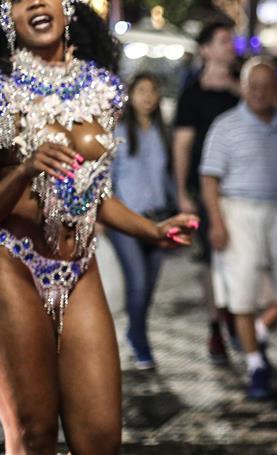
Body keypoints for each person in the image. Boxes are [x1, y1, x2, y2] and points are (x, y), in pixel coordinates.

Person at [0, 0, 197, 453]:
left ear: (66, 0)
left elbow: (93, 195)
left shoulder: (104, 87)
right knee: (34, 435)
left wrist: (152, 230)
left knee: (99, 437)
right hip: (8, 265)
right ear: (2, 15)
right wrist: (24, 172)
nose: (35, 2)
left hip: (78, 265)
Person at [199, 57, 277, 399]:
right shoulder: (226, 125)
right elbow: (209, 179)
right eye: (254, 86)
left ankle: (259, 331)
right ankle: (255, 365)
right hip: (238, 212)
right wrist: (217, 223)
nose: (261, 92)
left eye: (268, 86)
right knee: (241, 293)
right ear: (244, 88)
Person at [172, 15, 240, 365]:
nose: (231, 47)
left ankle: (239, 319)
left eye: (232, 40)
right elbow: (182, 145)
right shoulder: (192, 95)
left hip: (242, 187)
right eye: (224, 41)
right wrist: (183, 191)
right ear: (206, 49)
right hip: (204, 188)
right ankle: (218, 323)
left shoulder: (241, 87)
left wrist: (237, 91)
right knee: (212, 261)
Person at [108, 72, 175, 370]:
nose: (147, 96)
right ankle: (140, 342)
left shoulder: (163, 132)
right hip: (126, 222)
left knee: (148, 286)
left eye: (152, 91)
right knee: (136, 282)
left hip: (158, 219)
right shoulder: (118, 133)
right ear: (130, 96)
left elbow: (168, 177)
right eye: (141, 90)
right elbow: (107, 178)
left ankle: (135, 333)